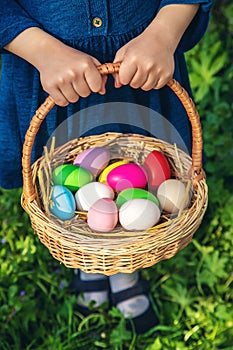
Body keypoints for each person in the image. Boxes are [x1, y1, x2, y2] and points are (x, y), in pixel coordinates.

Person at [0, 0, 213, 334]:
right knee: (59, 172)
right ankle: (88, 260)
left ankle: (125, 262)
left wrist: (164, 32)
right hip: (47, 65)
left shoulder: (157, 40)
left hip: (143, 58)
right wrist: (39, 50)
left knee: (144, 173)